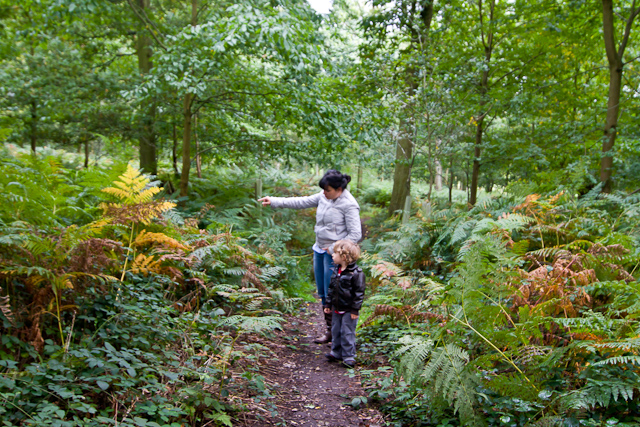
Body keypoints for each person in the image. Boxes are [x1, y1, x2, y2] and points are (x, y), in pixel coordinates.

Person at [258, 169, 362, 344]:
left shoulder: (349, 204)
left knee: (335, 294)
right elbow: (301, 201)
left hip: (335, 256)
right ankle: (330, 331)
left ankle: (339, 337)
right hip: (319, 250)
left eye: (327, 190)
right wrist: (274, 201)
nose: (324, 193)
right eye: (323, 190)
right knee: (323, 293)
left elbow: (355, 234)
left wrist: (335, 249)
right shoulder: (324, 196)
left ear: (338, 189)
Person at [324, 240, 365, 369]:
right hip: (337, 307)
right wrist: (328, 304)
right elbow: (331, 289)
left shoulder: (357, 273)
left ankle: (348, 356)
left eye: (335, 253)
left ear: (344, 257)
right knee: (336, 330)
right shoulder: (336, 270)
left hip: (348, 310)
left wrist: (355, 310)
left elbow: (359, 293)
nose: (332, 255)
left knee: (347, 331)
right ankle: (336, 352)